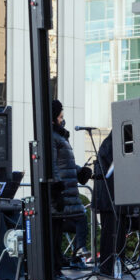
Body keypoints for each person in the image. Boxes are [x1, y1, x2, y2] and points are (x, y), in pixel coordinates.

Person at [50, 99, 92, 270]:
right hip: (63, 192)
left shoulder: (60, 137)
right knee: (63, 226)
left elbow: (66, 164)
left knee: (78, 219)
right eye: (60, 117)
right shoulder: (53, 137)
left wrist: (81, 171)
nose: (63, 120)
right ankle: (68, 260)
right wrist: (56, 189)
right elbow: (52, 165)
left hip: (69, 191)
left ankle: (74, 256)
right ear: (53, 118)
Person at [91, 131, 121, 277]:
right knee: (109, 233)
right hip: (108, 197)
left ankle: (116, 264)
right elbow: (106, 171)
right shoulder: (110, 144)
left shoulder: (113, 143)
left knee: (117, 232)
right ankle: (106, 266)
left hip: (114, 196)